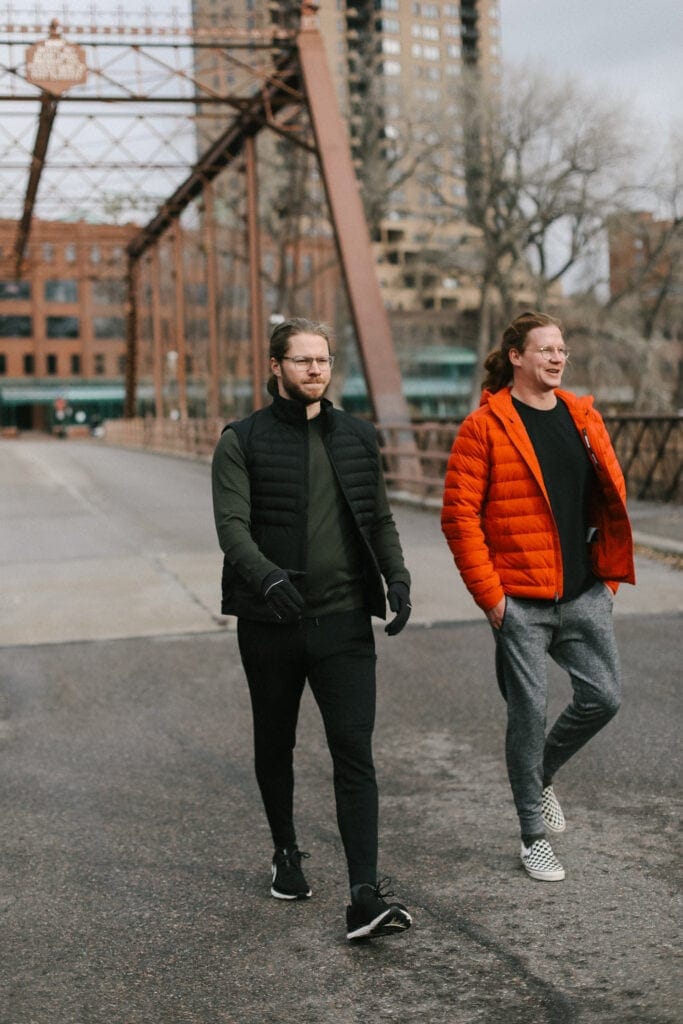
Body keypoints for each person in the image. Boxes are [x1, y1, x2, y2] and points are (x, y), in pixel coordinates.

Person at [212, 317, 413, 940]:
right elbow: (232, 527)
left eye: (323, 360)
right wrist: (267, 578)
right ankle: (286, 852)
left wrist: (397, 578)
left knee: (355, 752)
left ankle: (363, 895)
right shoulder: (240, 439)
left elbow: (377, 517)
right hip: (270, 622)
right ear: (276, 366)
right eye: (302, 361)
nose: (315, 370)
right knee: (276, 744)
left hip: (345, 623)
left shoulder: (356, 435)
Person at [441, 311, 635, 882]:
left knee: (605, 697)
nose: (557, 358)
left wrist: (608, 574)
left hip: (582, 592)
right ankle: (531, 836)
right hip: (519, 600)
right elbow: (460, 519)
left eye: (562, 350)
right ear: (517, 357)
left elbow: (608, 493)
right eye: (545, 349)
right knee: (527, 712)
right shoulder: (484, 427)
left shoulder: (582, 416)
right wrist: (493, 600)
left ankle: (540, 774)